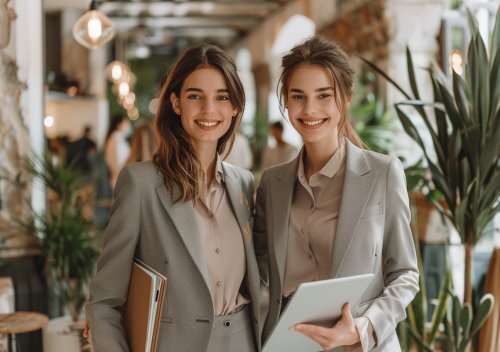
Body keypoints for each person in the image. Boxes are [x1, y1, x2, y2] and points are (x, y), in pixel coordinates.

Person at [85, 42, 261, 352]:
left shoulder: (243, 184)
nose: (209, 109)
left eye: (222, 97)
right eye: (195, 96)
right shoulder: (140, 184)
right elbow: (104, 302)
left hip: (242, 342)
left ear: (235, 107)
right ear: (176, 103)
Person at [254, 36, 419, 352]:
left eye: (323, 95)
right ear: (286, 102)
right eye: (298, 96)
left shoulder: (382, 174)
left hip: (360, 344)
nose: (310, 109)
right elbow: (259, 266)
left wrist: (363, 327)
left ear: (345, 98)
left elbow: (405, 274)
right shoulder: (272, 183)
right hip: (291, 343)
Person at [104, 115, 131, 188]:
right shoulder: (116, 140)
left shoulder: (118, 139)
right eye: (126, 123)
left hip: (121, 176)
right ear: (119, 125)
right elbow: (115, 161)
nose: (129, 126)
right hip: (119, 177)